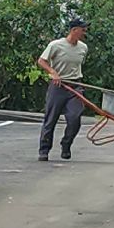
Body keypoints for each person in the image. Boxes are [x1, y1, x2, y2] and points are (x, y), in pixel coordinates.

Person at [36, 18, 89, 162]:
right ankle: (44, 150)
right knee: (50, 119)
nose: (85, 32)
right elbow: (41, 61)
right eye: (82, 29)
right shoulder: (56, 45)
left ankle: (66, 144)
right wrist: (52, 72)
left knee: (75, 118)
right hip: (58, 86)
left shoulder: (83, 48)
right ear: (74, 30)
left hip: (75, 85)